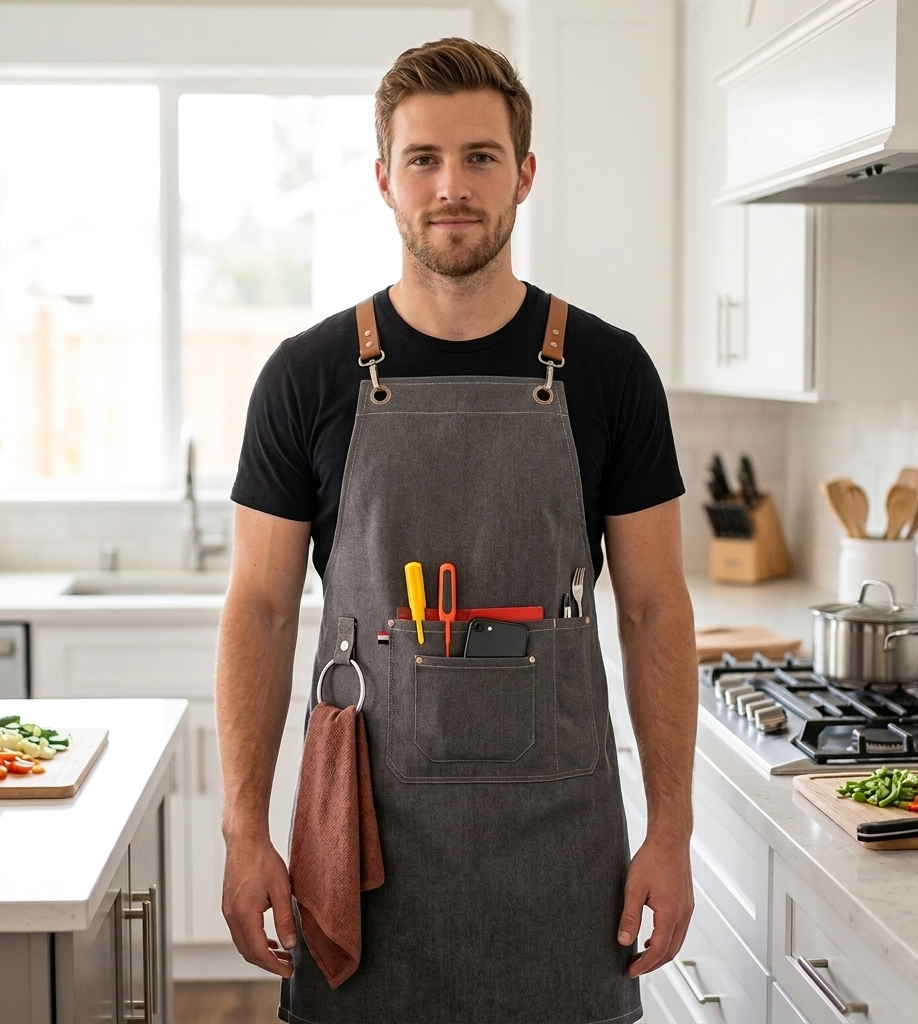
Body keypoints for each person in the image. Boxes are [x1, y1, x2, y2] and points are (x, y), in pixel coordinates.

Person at [217, 36, 698, 1024]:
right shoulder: (306, 376)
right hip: (361, 841)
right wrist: (242, 831)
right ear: (384, 179)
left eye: (480, 157)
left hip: (565, 845)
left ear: (523, 174)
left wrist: (671, 833)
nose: (451, 186)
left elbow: (653, 609)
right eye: (424, 160)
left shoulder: (610, 371)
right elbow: (260, 612)